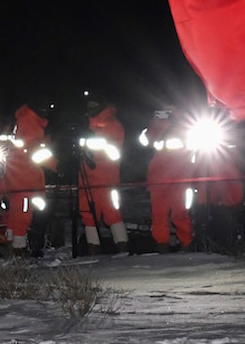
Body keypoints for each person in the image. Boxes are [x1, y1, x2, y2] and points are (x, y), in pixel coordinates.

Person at [0, 104, 57, 257]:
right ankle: (18, 249)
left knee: (13, 214)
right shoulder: (31, 125)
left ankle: (8, 245)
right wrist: (57, 166)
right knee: (22, 216)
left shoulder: (23, 121)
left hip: (15, 177)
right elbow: (36, 152)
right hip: (25, 180)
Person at [77, 101, 129, 254]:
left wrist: (91, 148)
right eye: (89, 104)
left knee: (113, 214)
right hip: (87, 179)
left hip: (107, 180)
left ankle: (123, 251)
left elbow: (114, 153)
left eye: (94, 103)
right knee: (87, 215)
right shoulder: (84, 125)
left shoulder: (112, 124)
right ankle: (93, 251)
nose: (90, 107)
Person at [140, 109, 194, 252]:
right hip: (160, 179)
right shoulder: (153, 128)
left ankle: (185, 244)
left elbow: (192, 147)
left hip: (178, 178)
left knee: (180, 213)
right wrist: (154, 124)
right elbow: (144, 144)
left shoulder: (183, 126)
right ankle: (163, 245)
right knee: (160, 215)